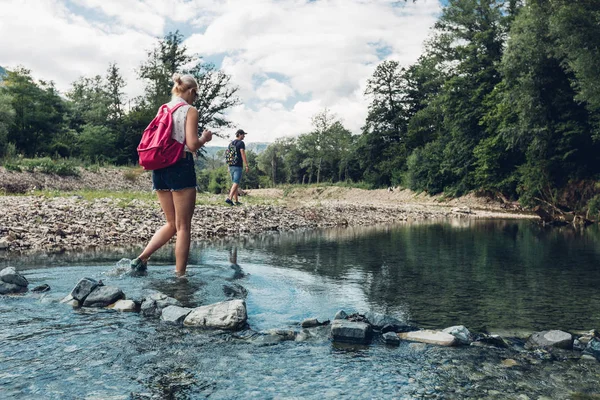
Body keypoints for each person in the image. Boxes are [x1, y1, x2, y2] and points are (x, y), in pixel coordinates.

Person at [131, 73, 212, 276]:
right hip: (180, 166)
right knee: (183, 226)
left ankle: (141, 258)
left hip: (159, 168)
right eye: (196, 95)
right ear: (191, 91)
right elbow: (192, 145)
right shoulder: (190, 110)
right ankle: (180, 276)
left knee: (171, 223)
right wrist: (204, 138)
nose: (195, 99)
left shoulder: (163, 108)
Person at [225, 129, 249, 206]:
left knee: (235, 183)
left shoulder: (231, 143)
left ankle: (236, 201)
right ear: (239, 134)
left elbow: (229, 155)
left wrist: (228, 166)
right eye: (243, 134)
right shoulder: (241, 143)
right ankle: (229, 198)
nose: (244, 136)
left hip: (231, 165)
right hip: (238, 165)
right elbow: (243, 154)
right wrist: (246, 165)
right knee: (236, 182)